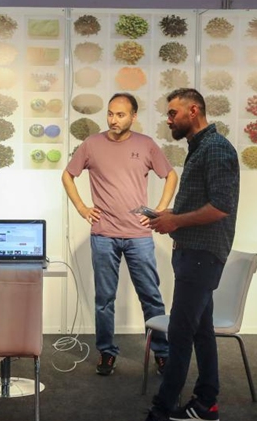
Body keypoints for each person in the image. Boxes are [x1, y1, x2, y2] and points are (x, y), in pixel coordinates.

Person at [134, 88, 240, 421]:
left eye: (172, 113)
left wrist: (176, 222)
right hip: (194, 253)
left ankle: (160, 413)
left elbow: (221, 206)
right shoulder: (200, 149)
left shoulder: (217, 150)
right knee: (200, 330)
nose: (168, 120)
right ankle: (206, 404)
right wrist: (170, 215)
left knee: (179, 333)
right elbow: (204, 203)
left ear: (194, 111)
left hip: (202, 255)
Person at [62, 93, 178, 376]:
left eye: (121, 115)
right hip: (103, 234)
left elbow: (171, 175)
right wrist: (81, 207)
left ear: (133, 117)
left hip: (139, 235)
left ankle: (162, 352)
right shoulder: (91, 144)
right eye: (111, 114)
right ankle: (106, 352)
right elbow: (68, 174)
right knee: (104, 298)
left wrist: (159, 210)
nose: (114, 119)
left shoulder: (146, 145)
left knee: (151, 296)